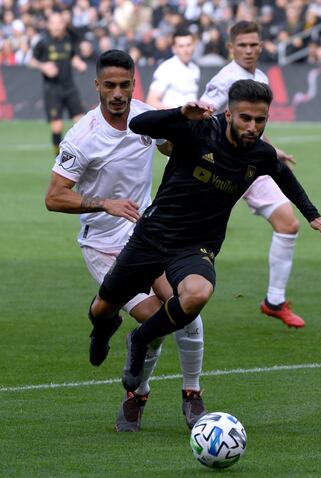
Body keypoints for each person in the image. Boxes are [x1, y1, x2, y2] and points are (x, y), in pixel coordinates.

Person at [88, 79, 321, 400]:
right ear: (229, 114)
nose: (252, 127)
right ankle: (102, 328)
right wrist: (180, 113)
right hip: (152, 236)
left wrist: (312, 214)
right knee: (103, 308)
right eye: (245, 118)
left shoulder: (258, 153)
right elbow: (138, 124)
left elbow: (281, 172)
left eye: (260, 120)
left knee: (197, 295)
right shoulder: (198, 130)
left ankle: (139, 340)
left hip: (196, 246)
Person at [45, 49, 206, 432]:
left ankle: (191, 392)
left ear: (135, 84)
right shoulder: (83, 136)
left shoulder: (144, 117)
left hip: (149, 234)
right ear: (97, 85)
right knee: (152, 318)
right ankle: (113, 346)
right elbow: (53, 196)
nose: (118, 94)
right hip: (103, 244)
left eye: (125, 85)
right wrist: (105, 203)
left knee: (186, 308)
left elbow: (171, 146)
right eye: (110, 85)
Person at [200, 20, 305, 328]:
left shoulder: (258, 78)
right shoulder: (227, 80)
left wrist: (273, 151)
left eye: (253, 44)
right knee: (189, 234)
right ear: (230, 48)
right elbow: (203, 114)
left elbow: (255, 128)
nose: (248, 50)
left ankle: (274, 301)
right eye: (241, 45)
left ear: (261, 46)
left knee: (288, 223)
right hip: (219, 167)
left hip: (251, 166)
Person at [29, 12, 87, 156]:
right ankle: (59, 159)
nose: (56, 26)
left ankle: (84, 156)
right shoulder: (43, 42)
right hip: (52, 90)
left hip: (70, 88)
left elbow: (72, 56)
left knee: (83, 125)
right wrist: (43, 66)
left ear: (63, 24)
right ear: (49, 25)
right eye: (53, 23)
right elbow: (32, 62)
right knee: (57, 126)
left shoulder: (69, 39)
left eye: (59, 23)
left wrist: (78, 63)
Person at [146, 28, 200, 109]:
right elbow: (151, 101)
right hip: (172, 120)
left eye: (188, 45)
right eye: (181, 46)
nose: (186, 50)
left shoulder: (195, 68)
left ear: (193, 46)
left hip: (192, 120)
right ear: (174, 49)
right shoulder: (166, 68)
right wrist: (178, 114)